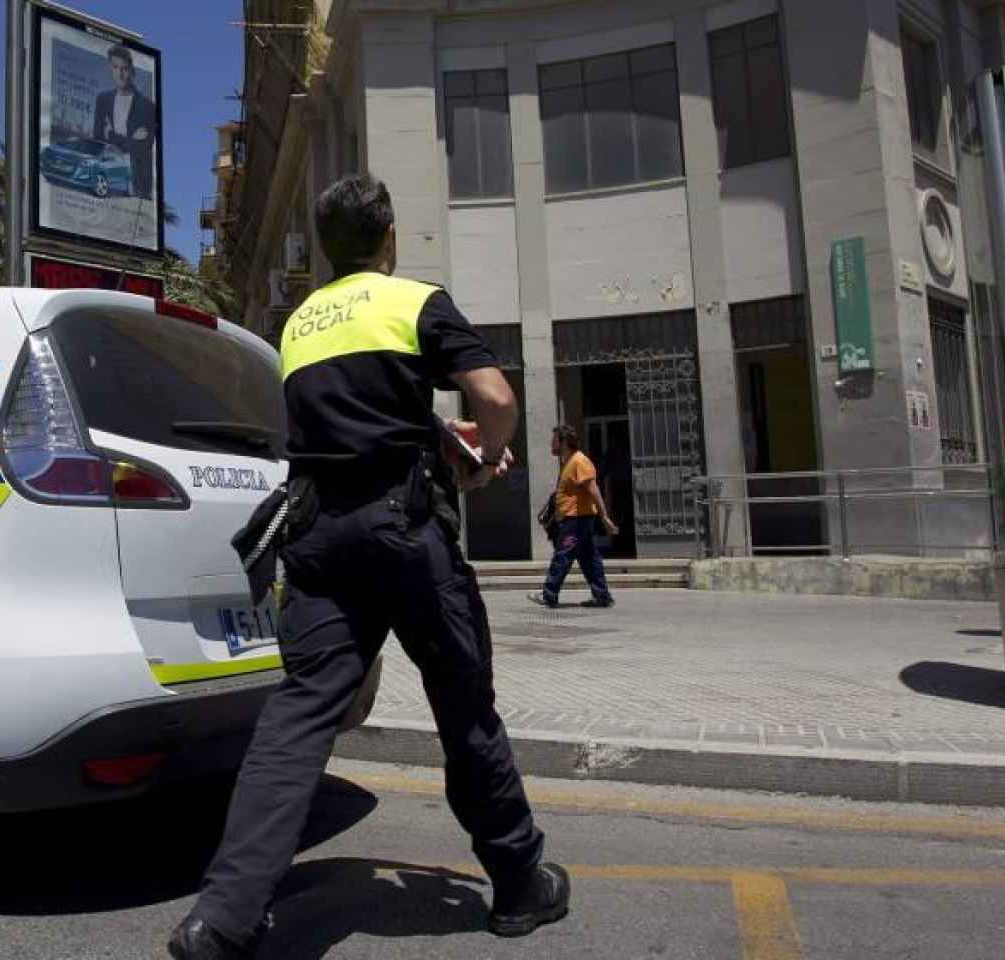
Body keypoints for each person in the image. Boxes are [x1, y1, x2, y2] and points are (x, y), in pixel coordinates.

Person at [168, 173, 570, 960]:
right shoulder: (413, 301)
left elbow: (349, 418)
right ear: (388, 237)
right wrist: (483, 459)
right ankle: (520, 884)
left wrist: (428, 434)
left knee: (295, 723)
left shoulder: (300, 326)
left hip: (318, 541)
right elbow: (495, 396)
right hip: (403, 531)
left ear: (324, 250)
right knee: (464, 708)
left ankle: (220, 921)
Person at [531, 425, 619, 609]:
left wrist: (604, 517)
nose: (551, 444)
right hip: (576, 519)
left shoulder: (579, 461)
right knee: (589, 559)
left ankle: (549, 594)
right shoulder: (569, 462)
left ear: (564, 442)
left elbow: (593, 490)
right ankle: (602, 596)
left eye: (554, 440)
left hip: (576, 520)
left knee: (563, 555)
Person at [91, 44, 156, 200]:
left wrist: (112, 136)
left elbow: (145, 145)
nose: (120, 74)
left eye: (124, 69)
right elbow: (98, 138)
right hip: (107, 177)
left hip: (138, 183)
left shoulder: (146, 106)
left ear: (131, 70)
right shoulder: (103, 100)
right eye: (115, 67)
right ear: (110, 68)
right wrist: (131, 140)